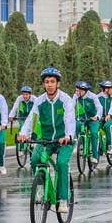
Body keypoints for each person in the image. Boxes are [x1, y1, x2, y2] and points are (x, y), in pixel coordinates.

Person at [18, 68, 76, 213]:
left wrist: (68, 136)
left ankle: (63, 200)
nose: (49, 85)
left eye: (52, 82)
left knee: (62, 163)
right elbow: (32, 118)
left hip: (64, 141)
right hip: (46, 140)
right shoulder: (39, 101)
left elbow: (70, 120)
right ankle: (41, 187)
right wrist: (24, 134)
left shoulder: (65, 100)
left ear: (58, 84)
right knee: (36, 158)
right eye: (47, 82)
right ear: (43, 84)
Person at [74, 81, 103, 159]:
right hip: (82, 118)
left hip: (92, 119)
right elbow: (71, 106)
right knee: (77, 125)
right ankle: (81, 142)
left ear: (84, 90)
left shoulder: (93, 96)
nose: (77, 92)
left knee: (93, 133)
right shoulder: (76, 96)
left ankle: (95, 156)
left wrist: (97, 116)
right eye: (76, 90)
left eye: (78, 91)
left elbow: (99, 107)